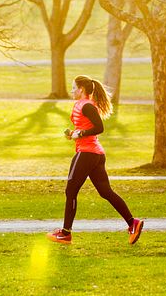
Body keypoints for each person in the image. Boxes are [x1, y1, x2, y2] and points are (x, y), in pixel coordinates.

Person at [47, 75, 144, 245]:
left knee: (71, 191)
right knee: (105, 192)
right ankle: (132, 223)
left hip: (87, 154)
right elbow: (87, 128)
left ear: (82, 90)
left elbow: (99, 127)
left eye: (73, 88)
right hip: (95, 154)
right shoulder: (85, 105)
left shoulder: (86, 106)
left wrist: (81, 134)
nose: (71, 91)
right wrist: (74, 134)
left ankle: (65, 233)